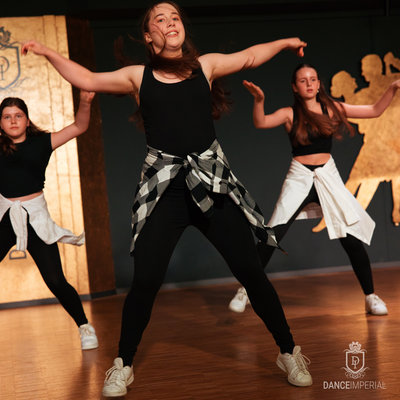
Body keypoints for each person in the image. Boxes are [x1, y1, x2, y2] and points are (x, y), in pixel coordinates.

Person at [22, 2, 312, 395]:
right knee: (145, 280)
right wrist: (47, 51)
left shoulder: (205, 66)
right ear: (148, 36)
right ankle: (123, 364)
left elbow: (248, 57)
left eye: (174, 17)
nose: (170, 22)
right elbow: (86, 78)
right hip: (165, 190)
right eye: (160, 19)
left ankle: (289, 351)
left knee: (250, 270)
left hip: (210, 183)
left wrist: (284, 42)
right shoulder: (137, 76)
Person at [228, 63, 400, 317]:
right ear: (294, 87)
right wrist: (259, 100)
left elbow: (374, 110)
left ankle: (370, 296)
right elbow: (261, 122)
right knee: (272, 234)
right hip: (300, 177)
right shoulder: (289, 114)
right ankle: (245, 290)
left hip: (327, 175)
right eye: (303, 80)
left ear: (319, 84)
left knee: (350, 236)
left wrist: (393, 87)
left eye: (313, 79)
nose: (309, 84)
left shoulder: (332, 108)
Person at [0, 91, 99, 351]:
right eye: (7, 117)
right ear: (0, 123)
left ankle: (84, 326)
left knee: (55, 280)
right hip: (4, 218)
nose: (13, 121)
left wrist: (85, 102)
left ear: (27, 120)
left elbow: (80, 126)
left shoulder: (42, 143)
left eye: (18, 116)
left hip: (36, 220)